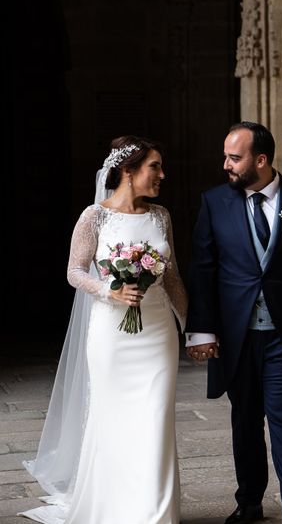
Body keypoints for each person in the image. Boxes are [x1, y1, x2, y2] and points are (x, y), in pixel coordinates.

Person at [21, 136, 188, 523]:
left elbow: (174, 276)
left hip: (158, 332)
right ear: (128, 172)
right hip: (112, 335)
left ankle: (157, 514)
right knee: (114, 421)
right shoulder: (94, 216)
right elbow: (74, 271)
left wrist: (191, 328)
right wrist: (110, 289)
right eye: (155, 167)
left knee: (156, 419)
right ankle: (115, 507)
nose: (162, 174)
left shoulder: (161, 216)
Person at [186, 122, 282, 524]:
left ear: (261, 160)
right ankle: (250, 500)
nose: (226, 165)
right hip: (234, 337)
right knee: (245, 420)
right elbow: (202, 271)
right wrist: (201, 331)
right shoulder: (214, 202)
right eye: (226, 156)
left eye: (234, 158)